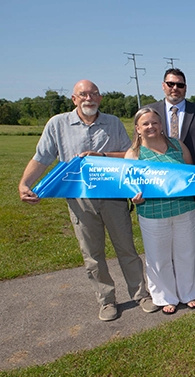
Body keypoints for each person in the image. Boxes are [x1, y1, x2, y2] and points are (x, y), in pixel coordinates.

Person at [18, 80, 156, 321]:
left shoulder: (112, 122)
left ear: (100, 98)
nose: (88, 98)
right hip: (80, 201)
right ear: (74, 99)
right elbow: (42, 158)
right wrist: (24, 184)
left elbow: (128, 155)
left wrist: (100, 156)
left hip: (113, 198)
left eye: (93, 94)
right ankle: (107, 301)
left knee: (127, 249)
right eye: (83, 94)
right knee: (92, 254)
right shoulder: (58, 124)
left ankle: (141, 294)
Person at [144, 68, 195, 285]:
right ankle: (173, 271)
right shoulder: (150, 113)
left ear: (186, 87)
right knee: (168, 230)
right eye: (171, 83)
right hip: (161, 184)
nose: (175, 88)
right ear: (163, 85)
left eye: (180, 84)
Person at [126, 108, 195, 314]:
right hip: (152, 213)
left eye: (155, 122)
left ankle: (190, 293)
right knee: (158, 257)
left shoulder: (177, 145)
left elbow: (192, 173)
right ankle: (165, 297)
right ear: (138, 129)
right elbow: (129, 186)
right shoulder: (134, 154)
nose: (151, 127)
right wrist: (135, 196)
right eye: (145, 124)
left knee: (186, 253)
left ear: (161, 125)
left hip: (184, 208)